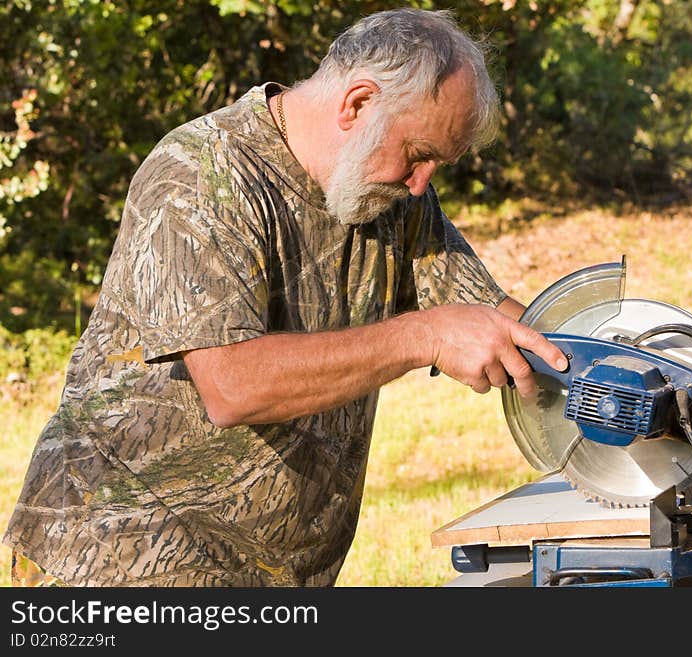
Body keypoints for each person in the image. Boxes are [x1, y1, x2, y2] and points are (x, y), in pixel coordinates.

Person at [3, 7, 568, 587]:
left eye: (436, 164)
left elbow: (507, 324)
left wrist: (623, 356)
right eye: (418, 153)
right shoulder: (201, 173)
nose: (422, 182)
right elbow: (231, 386)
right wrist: (421, 335)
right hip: (117, 564)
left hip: (273, 578)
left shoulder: (393, 197)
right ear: (357, 104)